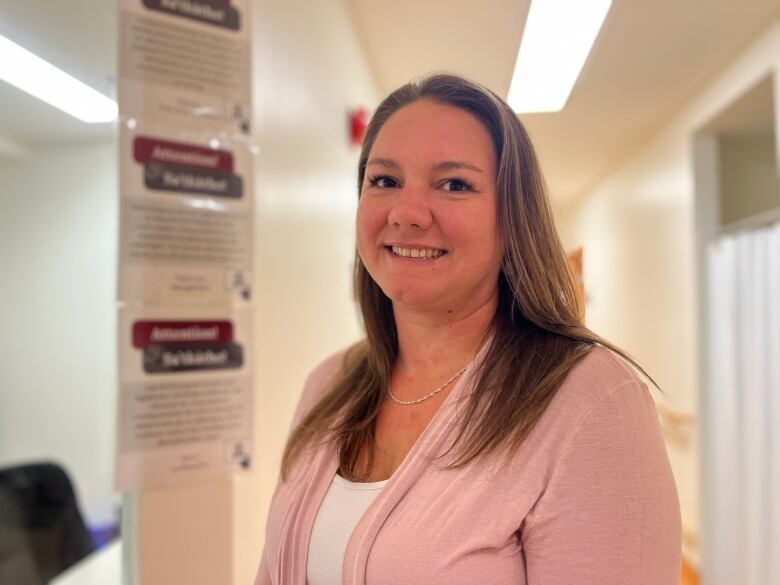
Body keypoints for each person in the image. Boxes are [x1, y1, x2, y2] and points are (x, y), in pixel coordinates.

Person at [254, 74, 681, 585]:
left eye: (454, 184)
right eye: (385, 180)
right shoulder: (330, 383)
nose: (407, 213)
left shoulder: (590, 402)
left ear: (512, 218)